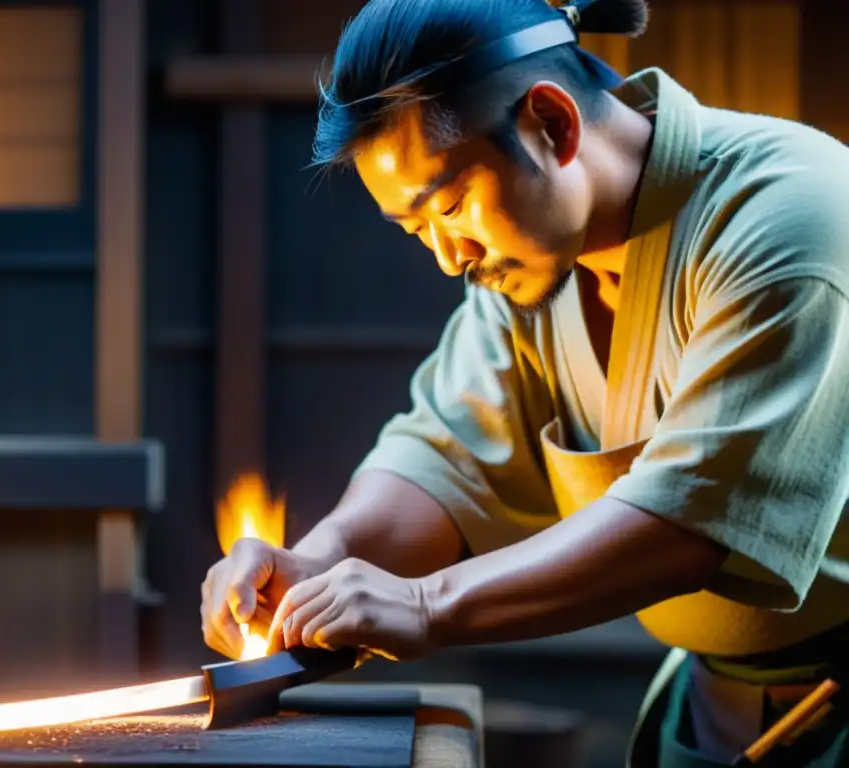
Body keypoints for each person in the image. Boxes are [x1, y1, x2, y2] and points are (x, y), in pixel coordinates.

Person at [199, 0, 849, 764]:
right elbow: (445, 460)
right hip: (714, 703)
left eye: (451, 206)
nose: (449, 256)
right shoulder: (529, 273)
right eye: (418, 230)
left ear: (553, 124)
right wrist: (323, 561)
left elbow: (691, 520)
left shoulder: (793, 216)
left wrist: (423, 604)